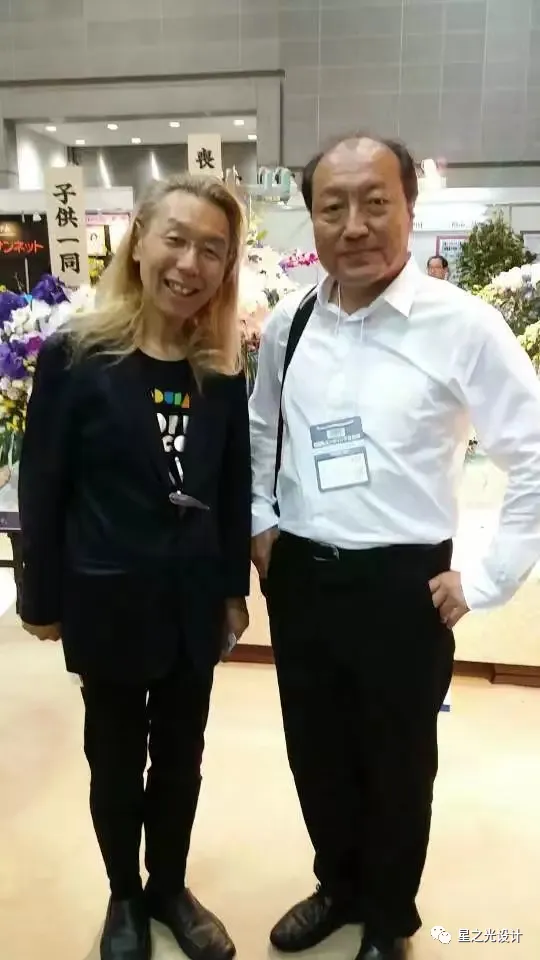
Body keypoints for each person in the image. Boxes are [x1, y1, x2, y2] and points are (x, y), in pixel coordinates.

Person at [249, 134, 540, 960]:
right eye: (332, 207)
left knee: (399, 761)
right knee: (316, 751)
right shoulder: (290, 323)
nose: (354, 226)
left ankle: (388, 916)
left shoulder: (464, 327)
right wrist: (261, 524)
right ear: (312, 219)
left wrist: (486, 578)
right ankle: (337, 886)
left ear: (410, 208)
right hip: (303, 576)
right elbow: (261, 430)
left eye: (375, 203)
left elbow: (533, 453)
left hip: (402, 586)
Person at [19, 173, 251, 960]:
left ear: (227, 268)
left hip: (192, 605)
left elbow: (232, 489)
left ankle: (169, 887)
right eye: (176, 240)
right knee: (115, 760)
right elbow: (42, 485)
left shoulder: (221, 369)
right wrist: (39, 597)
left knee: (182, 759)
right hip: (107, 599)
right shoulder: (77, 356)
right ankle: (124, 894)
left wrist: (232, 590)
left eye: (212, 250)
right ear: (140, 242)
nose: (190, 264)